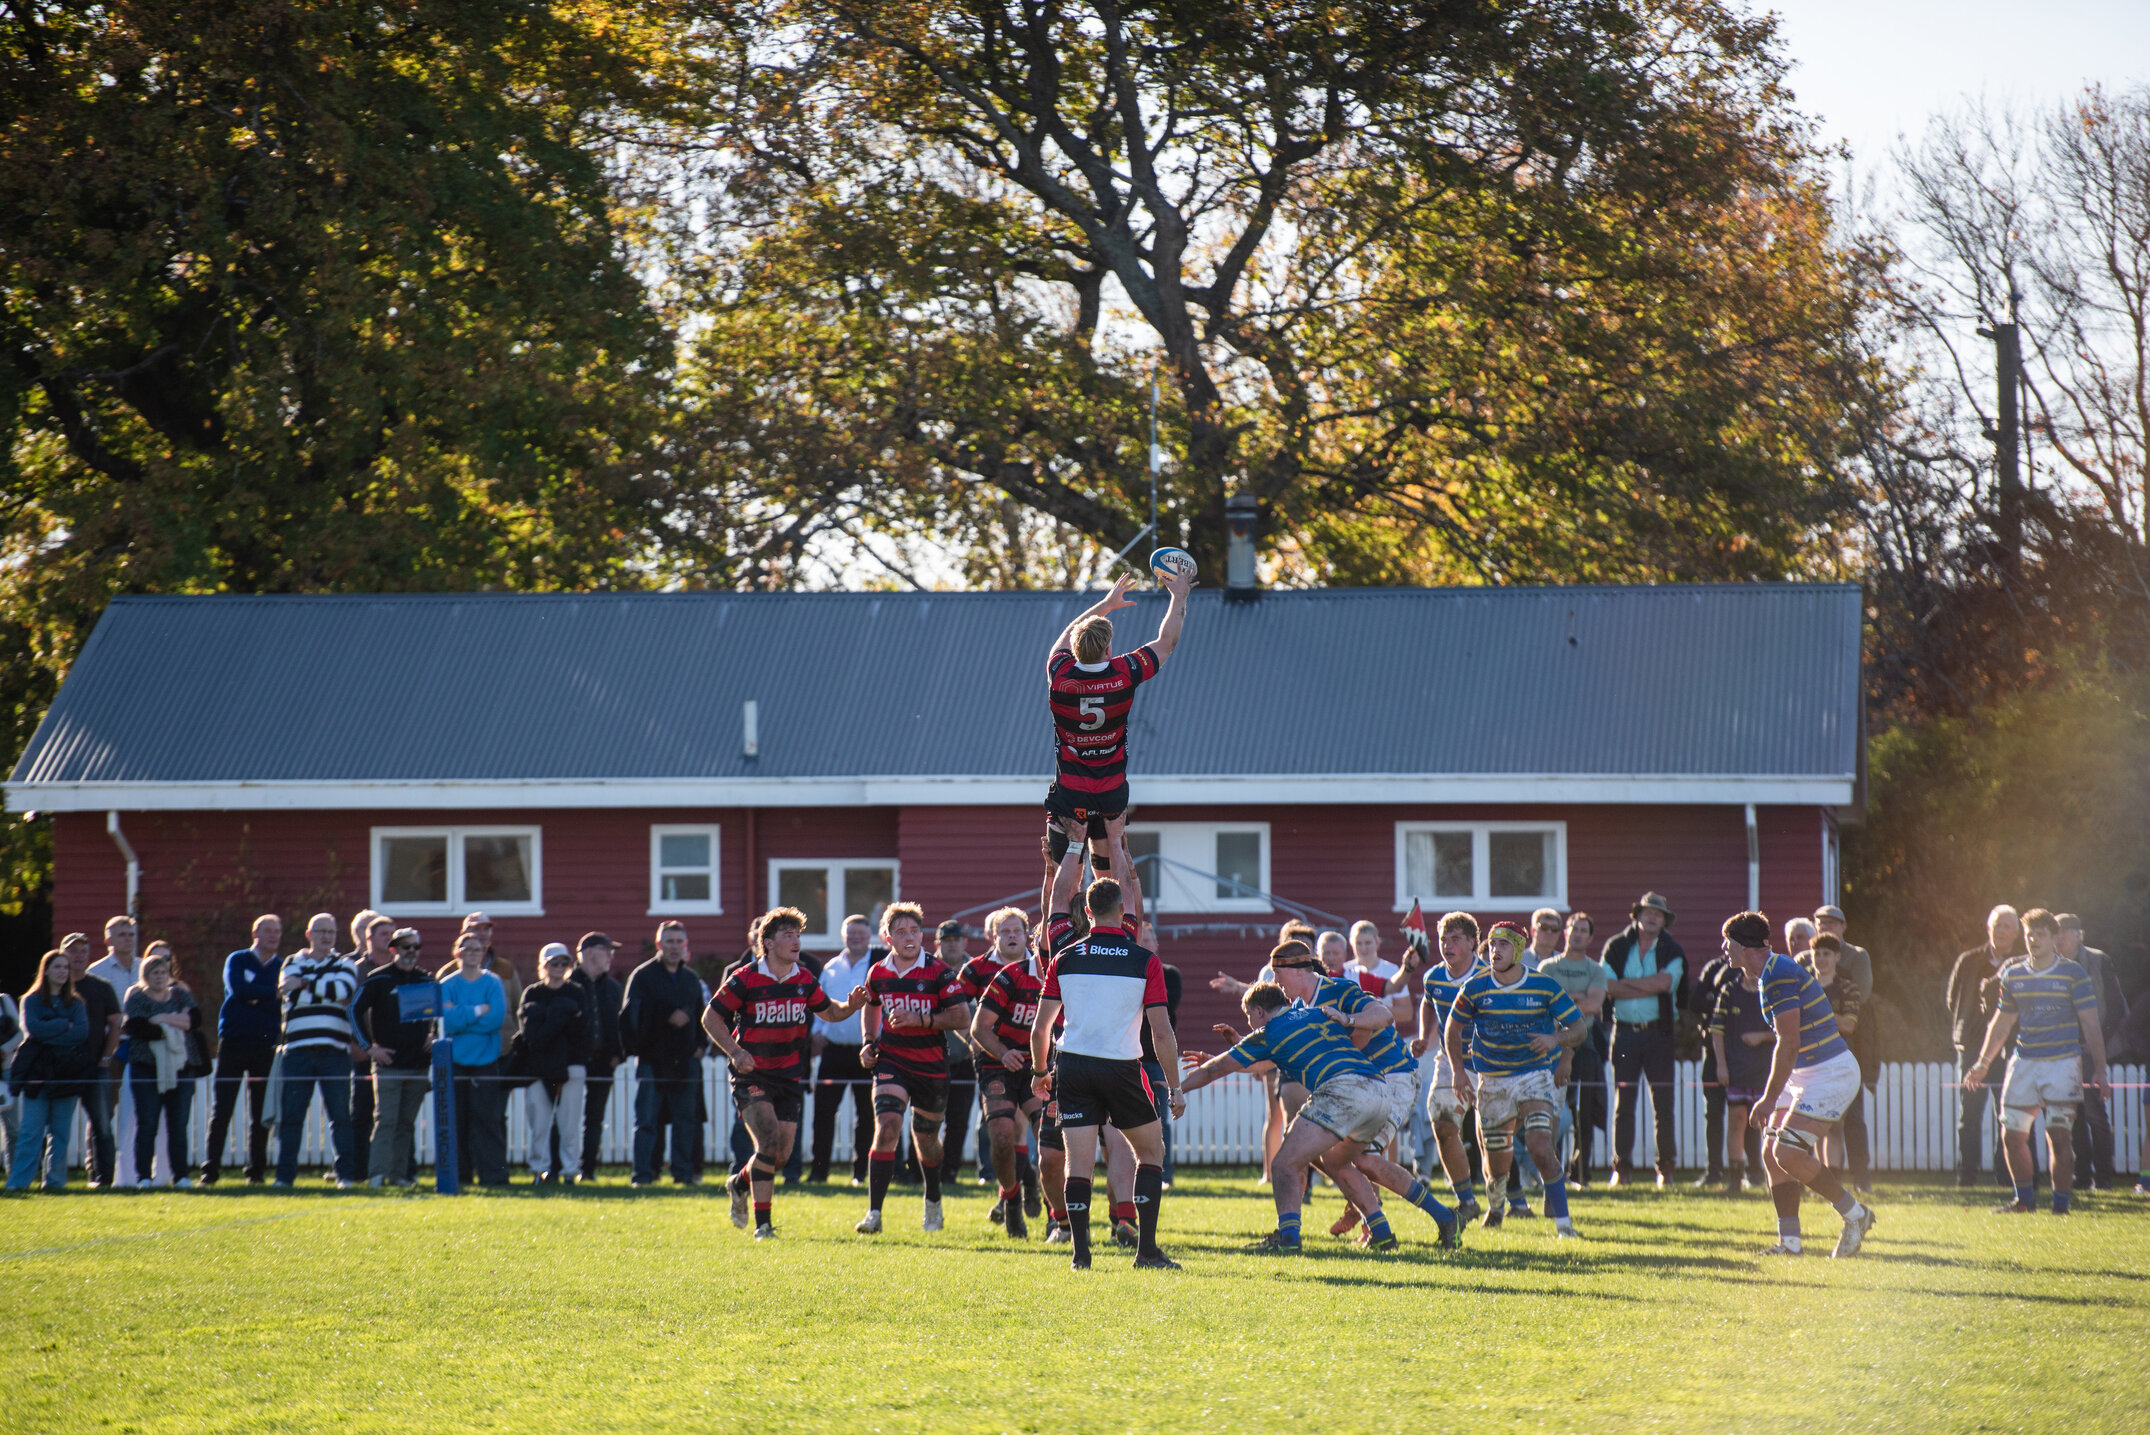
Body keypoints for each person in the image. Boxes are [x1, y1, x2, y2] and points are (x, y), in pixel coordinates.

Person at [1028, 834, 1183, 1270]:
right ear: (1122, 912)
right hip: (1121, 1067)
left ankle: (1080, 1255)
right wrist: (1175, 1087)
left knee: (1079, 1165)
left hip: (1071, 1066)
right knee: (1149, 1153)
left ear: (1087, 911)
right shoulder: (1143, 960)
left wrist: (1041, 1071)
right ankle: (1146, 1251)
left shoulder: (1064, 957)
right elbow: (1162, 1032)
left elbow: (1041, 1027)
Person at [1254, 940, 1460, 1249]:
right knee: (1324, 1155)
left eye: (1277, 975)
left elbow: (1381, 1017)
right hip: (1362, 1084)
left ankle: (1439, 1217)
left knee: (1363, 1159)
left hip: (1392, 1077)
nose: (1275, 983)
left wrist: (1347, 1026)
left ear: (1298, 972)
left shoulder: (1340, 990)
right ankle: (1378, 1228)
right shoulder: (1301, 1008)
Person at [1180, 982, 1392, 1256]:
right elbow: (1267, 1058)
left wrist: (1177, 1089)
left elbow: (1214, 1071)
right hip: (1379, 1089)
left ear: (1258, 1012)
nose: (1250, 1023)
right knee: (1337, 1162)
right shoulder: (1315, 1013)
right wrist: (1231, 1049)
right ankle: (1383, 1232)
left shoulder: (1268, 1033)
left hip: (1344, 1091)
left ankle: (1289, 1238)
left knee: (1283, 1164)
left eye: (1248, 1017)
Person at [704, 908, 868, 1238]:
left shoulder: (805, 978)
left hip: (790, 1075)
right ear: (768, 943)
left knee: (779, 1157)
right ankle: (763, 1226)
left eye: (798, 935)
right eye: (788, 936)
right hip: (753, 1075)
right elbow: (710, 1018)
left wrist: (851, 1006)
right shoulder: (745, 978)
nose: (796, 941)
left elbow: (830, 1012)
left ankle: (738, 1183)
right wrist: (735, 1052)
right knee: (768, 1143)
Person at [1720, 911, 1875, 1258]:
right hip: (1808, 1071)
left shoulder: (1777, 975)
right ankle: (1790, 1244)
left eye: (1727, 941)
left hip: (1830, 1072)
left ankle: (1856, 1214)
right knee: (1771, 1155)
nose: (1723, 948)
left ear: (1745, 946)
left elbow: (1788, 1043)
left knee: (1786, 1152)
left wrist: (1767, 1098)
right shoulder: (1768, 974)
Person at [1043, 568, 1192, 874]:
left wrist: (1106, 604)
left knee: (1066, 869)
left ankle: (1059, 920)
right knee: (1107, 870)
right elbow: (1167, 641)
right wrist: (1178, 596)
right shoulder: (1124, 672)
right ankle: (1109, 921)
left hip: (1071, 787)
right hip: (1110, 786)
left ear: (1074, 650)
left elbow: (1068, 632)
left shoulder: (1060, 674)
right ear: (1109, 650)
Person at [1963, 908, 2109, 1216]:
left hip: (2062, 1064)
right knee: (2012, 1135)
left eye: (2040, 934)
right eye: (2029, 934)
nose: (2033, 940)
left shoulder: (2073, 974)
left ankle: (2060, 1206)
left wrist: (2100, 1068)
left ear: (2054, 938)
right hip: (2024, 1062)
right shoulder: (2014, 974)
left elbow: (2091, 1023)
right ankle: (2024, 1201)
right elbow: (2001, 1023)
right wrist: (1982, 1062)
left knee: (2058, 1134)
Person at [1446, 921, 1588, 1237]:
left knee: (1540, 1146)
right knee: (1497, 1165)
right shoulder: (1475, 987)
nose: (1495, 951)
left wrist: (1556, 1040)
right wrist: (1458, 1071)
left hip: (1533, 1075)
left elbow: (1578, 1029)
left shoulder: (1544, 986)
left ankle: (1564, 1226)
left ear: (1519, 950)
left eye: (1503, 945)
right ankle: (1496, 1207)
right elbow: (1452, 1030)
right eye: (1492, 945)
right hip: (1493, 1080)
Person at [855, 902, 969, 1235]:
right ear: (887, 937)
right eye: (901, 932)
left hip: (931, 1066)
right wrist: (867, 1041)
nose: (909, 938)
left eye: (915, 931)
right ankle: (874, 1213)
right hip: (892, 1060)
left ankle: (933, 1199)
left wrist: (922, 1019)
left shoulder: (939, 972)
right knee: (887, 1126)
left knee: (927, 1140)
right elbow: (871, 1005)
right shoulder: (878, 971)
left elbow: (961, 1017)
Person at [959, 902, 1045, 1226]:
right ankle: (1016, 1193)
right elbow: (960, 1013)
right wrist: (982, 1045)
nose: (1011, 937)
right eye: (1004, 932)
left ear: (1028, 936)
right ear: (992, 936)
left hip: (1032, 1061)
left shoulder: (1044, 971)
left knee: (1031, 1130)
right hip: (994, 1058)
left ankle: (1046, 1203)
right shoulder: (975, 969)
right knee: (1004, 1133)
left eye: (1017, 931)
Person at [1600, 892, 1686, 1186]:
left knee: (1664, 1104)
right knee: (1624, 1103)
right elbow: (1607, 986)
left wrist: (1626, 986)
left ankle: (1666, 1171)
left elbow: (1667, 983)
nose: (1653, 917)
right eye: (1648, 912)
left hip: (1659, 1034)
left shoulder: (1671, 949)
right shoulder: (1616, 946)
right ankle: (1621, 1170)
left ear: (1664, 920)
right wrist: (1649, 986)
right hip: (1623, 1032)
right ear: (1637, 915)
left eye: (1658, 914)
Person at [273, 912, 362, 1189]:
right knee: (292, 1117)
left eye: (331, 932)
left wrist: (305, 983)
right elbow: (288, 990)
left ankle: (345, 1176)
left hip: (334, 1051)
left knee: (340, 1116)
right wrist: (310, 987)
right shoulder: (292, 961)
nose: (326, 936)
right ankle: (284, 1178)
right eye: (321, 931)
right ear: (309, 935)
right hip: (297, 1050)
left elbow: (342, 988)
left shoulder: (345, 963)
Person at [1411, 910, 1488, 1220]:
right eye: (1443, 939)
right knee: (1443, 1125)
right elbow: (1428, 1001)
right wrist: (1423, 1036)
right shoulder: (1434, 977)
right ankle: (1467, 1200)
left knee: (1494, 1137)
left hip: (1489, 1063)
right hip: (1451, 1060)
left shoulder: (1489, 975)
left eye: (1455, 939)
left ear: (1472, 942)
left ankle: (1511, 1198)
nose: (1447, 945)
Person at [623, 921, 707, 1187]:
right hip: (651, 1059)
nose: (674, 947)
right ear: (659, 945)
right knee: (647, 1121)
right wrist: (666, 1017)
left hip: (685, 1060)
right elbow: (630, 1018)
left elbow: (702, 1017)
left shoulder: (691, 979)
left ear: (685, 946)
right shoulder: (643, 976)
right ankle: (643, 1176)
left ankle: (683, 1175)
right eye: (668, 942)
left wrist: (700, 1047)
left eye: (678, 942)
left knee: (686, 1122)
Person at [204, 914, 284, 1185]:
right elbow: (237, 990)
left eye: (277, 932)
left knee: (260, 1111)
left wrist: (256, 996)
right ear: (255, 933)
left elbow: (280, 1006)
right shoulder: (237, 960)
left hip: (265, 1044)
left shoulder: (283, 966)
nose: (273, 936)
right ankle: (210, 1170)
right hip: (234, 1041)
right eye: (268, 931)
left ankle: (255, 1171)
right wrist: (272, 993)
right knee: (222, 1108)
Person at [7, 951, 97, 1190]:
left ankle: (55, 1183)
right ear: (45, 970)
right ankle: (18, 1183)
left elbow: (81, 1033)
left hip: (67, 1073)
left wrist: (51, 1031)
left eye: (65, 968)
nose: (62, 972)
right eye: (57, 967)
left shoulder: (76, 1004)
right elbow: (34, 1030)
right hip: (37, 1074)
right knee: (30, 1132)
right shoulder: (32, 1000)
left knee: (60, 1133)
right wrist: (62, 1024)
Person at [1947, 905, 2022, 1188]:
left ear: (2016, 933)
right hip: (1971, 1048)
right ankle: (1966, 1177)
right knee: (1969, 1115)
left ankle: (2006, 1178)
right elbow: (1953, 1000)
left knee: (2007, 1114)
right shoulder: (1968, 961)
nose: (2001, 930)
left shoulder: (2021, 964)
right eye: (1997, 925)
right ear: (1988, 928)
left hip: (2009, 1048)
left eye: (2007, 926)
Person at [354, 926, 434, 1187]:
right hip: (388, 1066)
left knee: (406, 1125)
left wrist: (433, 1035)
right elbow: (354, 1011)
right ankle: (376, 1175)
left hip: (419, 1066)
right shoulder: (379, 979)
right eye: (405, 947)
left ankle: (398, 1176)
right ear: (394, 949)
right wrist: (369, 1047)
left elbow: (435, 1018)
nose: (411, 952)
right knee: (385, 1121)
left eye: (415, 947)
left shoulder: (427, 981)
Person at [1535, 914, 1610, 1188]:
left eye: (1583, 931)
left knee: (1584, 1112)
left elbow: (1594, 1005)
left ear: (1590, 938)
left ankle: (1580, 1174)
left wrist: (1565, 999)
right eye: (1574, 929)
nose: (1577, 934)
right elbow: (1544, 1004)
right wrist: (1577, 998)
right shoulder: (1548, 966)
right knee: (1551, 1109)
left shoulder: (1596, 970)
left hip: (1586, 1043)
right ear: (1565, 933)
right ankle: (1549, 1172)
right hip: (1551, 1044)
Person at [2055, 914, 2127, 1191]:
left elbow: (2116, 1008)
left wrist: (2096, 1043)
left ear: (2079, 934)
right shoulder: (2053, 965)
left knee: (2096, 1116)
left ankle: (2104, 1179)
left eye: (2065, 931)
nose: (2059, 937)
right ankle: (2081, 1178)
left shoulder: (2099, 961)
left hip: (2092, 1050)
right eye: (2056, 932)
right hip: (2063, 1052)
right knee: (2073, 1117)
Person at [121, 952, 200, 1188]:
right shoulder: (136, 998)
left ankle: (182, 1176)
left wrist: (161, 1018)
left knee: (178, 1124)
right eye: (154, 972)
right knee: (147, 1123)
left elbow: (193, 1021)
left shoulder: (180, 995)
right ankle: (143, 1176)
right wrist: (176, 1021)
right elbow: (138, 1028)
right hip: (146, 1067)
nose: (159, 977)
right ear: (145, 975)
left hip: (181, 1067)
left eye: (163, 972)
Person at [809, 914, 877, 1186]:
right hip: (834, 1052)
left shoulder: (877, 964)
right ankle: (819, 1172)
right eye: (851, 934)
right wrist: (818, 1031)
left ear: (869, 936)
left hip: (867, 1052)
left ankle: (861, 1173)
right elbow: (819, 1003)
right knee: (823, 1113)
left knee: (867, 1115)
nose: (856, 938)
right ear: (843, 936)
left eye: (860, 933)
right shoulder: (832, 968)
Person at [440, 930, 510, 1187]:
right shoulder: (447, 985)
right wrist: (478, 1011)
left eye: (477, 949)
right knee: (458, 1121)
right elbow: (447, 1022)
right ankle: (461, 1176)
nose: (472, 954)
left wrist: (463, 1018)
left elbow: (496, 1019)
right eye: (467, 949)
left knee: (488, 1121)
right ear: (457, 952)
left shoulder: (493, 982)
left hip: (486, 1061)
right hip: (456, 1061)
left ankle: (494, 1176)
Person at [1801, 935, 1869, 1193]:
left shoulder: (1848, 987)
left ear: (1837, 957)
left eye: (1827, 954)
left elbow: (1849, 1025)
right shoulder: (1803, 986)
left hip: (1837, 1058)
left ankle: (1834, 1182)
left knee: (1835, 1122)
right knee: (1812, 1122)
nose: (1821, 959)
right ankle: (1818, 1180)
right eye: (1817, 954)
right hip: (1808, 1059)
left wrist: (1817, 1014)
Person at [520, 944, 593, 1183]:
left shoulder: (577, 992)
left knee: (569, 1122)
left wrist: (548, 1018)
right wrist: (561, 1017)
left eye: (564, 963)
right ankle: (540, 1170)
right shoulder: (532, 993)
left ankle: (570, 1170)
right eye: (554, 963)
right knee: (539, 1121)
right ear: (544, 966)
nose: (559, 968)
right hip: (538, 1066)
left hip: (571, 1064)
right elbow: (531, 1036)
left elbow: (581, 1033)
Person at [1709, 945, 1774, 1194]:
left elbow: (1784, 1031)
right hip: (1736, 1066)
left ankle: (1771, 1179)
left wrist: (1761, 1037)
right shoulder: (1729, 990)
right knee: (1736, 1120)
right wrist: (1722, 1066)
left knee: (1769, 1124)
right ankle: (1735, 1179)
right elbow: (1717, 1030)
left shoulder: (1770, 991)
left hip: (1765, 1069)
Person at [84, 914, 140, 1185]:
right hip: (111, 1048)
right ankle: (97, 1170)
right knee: (102, 1111)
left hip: (141, 1048)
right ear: (108, 939)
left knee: (141, 1113)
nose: (128, 939)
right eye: (121, 935)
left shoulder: (145, 967)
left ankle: (135, 1173)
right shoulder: (97, 972)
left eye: (130, 934)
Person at [1688, 932, 1742, 1188]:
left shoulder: (1751, 970)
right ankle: (1714, 1171)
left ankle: (1752, 1171)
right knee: (1714, 1112)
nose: (1725, 946)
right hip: (1713, 1050)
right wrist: (1716, 1001)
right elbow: (1697, 1001)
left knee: (1747, 1114)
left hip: (1744, 1054)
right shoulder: (1714, 967)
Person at [570, 933, 625, 1181]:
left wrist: (619, 1055)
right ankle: (563, 1168)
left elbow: (624, 1025)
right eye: (608, 951)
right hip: (572, 1061)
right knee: (566, 1117)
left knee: (595, 1119)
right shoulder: (568, 983)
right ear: (590, 952)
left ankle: (587, 1169)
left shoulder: (613, 987)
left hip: (604, 1062)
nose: (611, 957)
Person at [932, 919, 982, 1188]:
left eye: (956, 940)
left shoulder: (974, 970)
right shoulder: (929, 969)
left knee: (958, 1120)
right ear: (938, 944)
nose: (951, 945)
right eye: (946, 941)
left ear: (964, 942)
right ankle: (922, 1170)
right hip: (932, 1055)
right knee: (928, 1117)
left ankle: (950, 1171)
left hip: (965, 1057)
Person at [344, 911, 392, 1181]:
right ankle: (359, 1171)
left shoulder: (400, 967)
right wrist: (357, 1043)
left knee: (392, 1115)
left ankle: (396, 1170)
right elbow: (346, 1009)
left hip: (393, 1052)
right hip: (362, 1052)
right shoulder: (352, 968)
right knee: (361, 1113)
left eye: (389, 934)